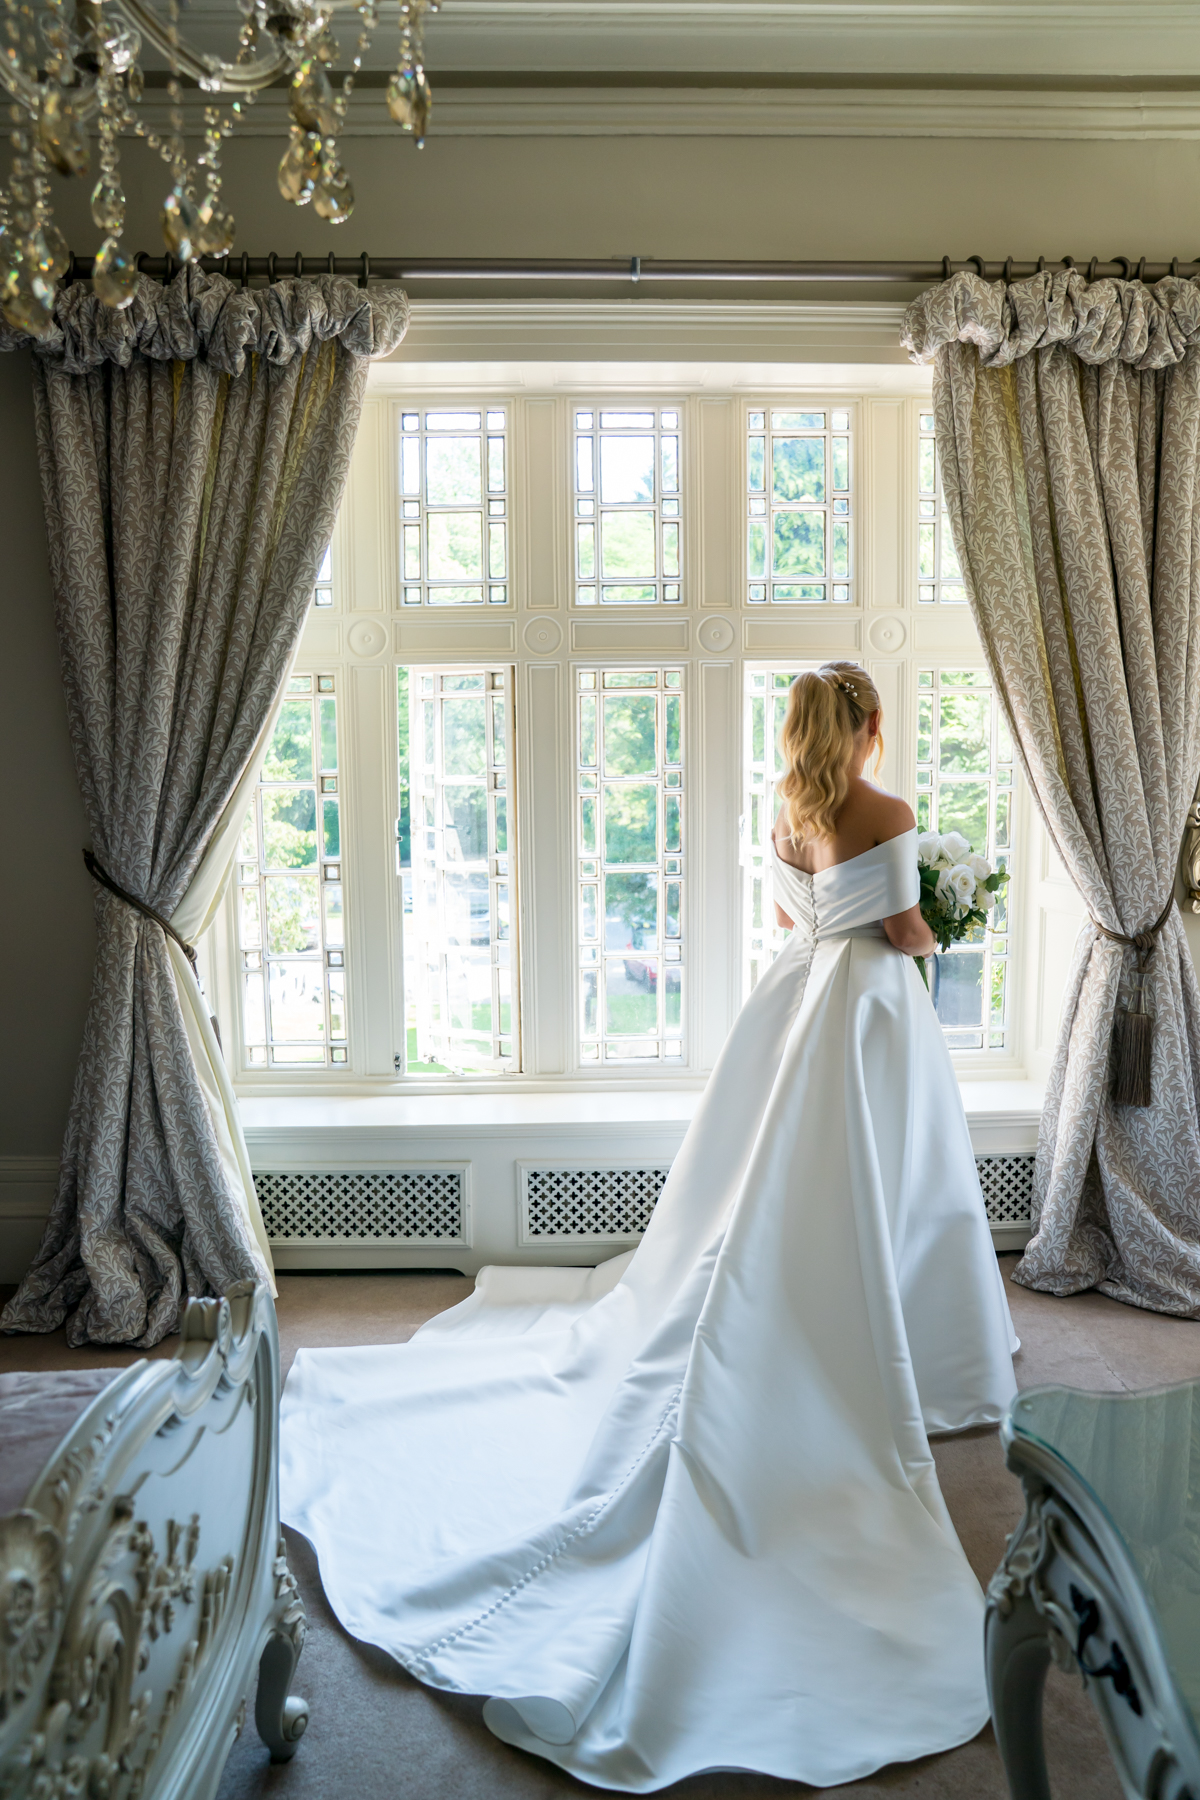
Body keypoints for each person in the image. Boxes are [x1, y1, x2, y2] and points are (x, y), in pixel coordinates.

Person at [280, 661, 1018, 1793]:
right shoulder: (893, 810)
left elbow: (792, 914)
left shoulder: (790, 807)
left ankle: (819, 1301)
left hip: (796, 998)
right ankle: (889, 1332)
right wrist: (937, 936)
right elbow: (908, 925)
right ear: (868, 725)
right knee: (886, 1181)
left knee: (771, 1186)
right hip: (866, 1006)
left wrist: (862, 916)